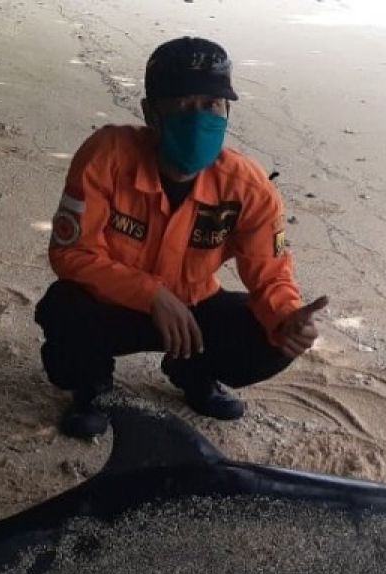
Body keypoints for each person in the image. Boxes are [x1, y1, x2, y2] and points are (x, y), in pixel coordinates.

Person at [34, 36, 328, 439]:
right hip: (114, 305)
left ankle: (193, 371)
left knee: (269, 338)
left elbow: (271, 275)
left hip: (192, 311)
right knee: (64, 308)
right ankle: (93, 387)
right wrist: (151, 295)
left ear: (227, 112)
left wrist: (287, 318)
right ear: (150, 113)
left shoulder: (248, 187)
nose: (200, 117)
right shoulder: (107, 156)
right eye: (184, 105)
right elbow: (71, 254)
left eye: (211, 106)